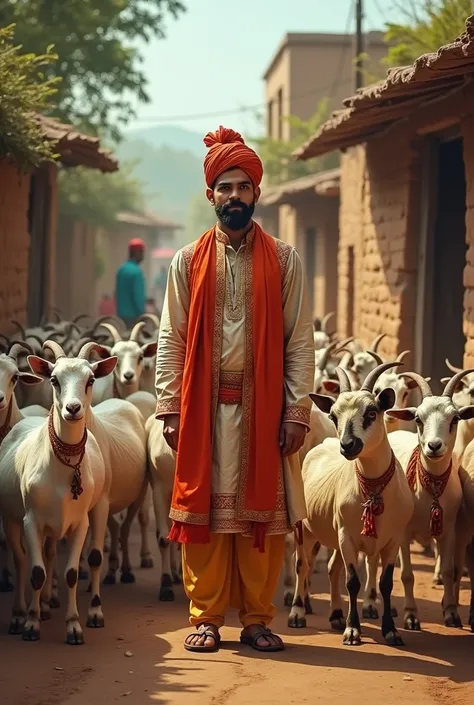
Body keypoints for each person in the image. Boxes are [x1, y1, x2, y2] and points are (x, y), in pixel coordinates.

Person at [155, 126, 315, 654]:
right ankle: (204, 616)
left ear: (256, 195)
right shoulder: (186, 261)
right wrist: (170, 405)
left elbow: (299, 341)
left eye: (243, 188)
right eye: (225, 188)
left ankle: (256, 617)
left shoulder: (286, 261)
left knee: (259, 521)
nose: (234, 197)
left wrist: (296, 410)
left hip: (263, 411)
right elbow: (171, 336)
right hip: (202, 409)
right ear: (211, 196)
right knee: (204, 515)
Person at [115, 238, 146, 328]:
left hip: (120, 316)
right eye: (141, 252)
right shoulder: (136, 272)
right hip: (134, 317)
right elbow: (138, 296)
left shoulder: (121, 270)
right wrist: (143, 314)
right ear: (137, 253)